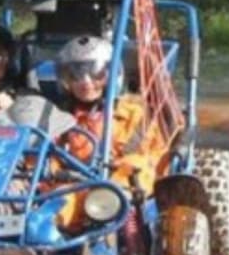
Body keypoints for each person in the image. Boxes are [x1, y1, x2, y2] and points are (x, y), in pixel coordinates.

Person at [52, 35, 164, 234]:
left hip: (125, 181)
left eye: (96, 73)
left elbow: (151, 156)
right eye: (75, 75)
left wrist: (119, 171)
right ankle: (47, 240)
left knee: (121, 183)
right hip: (76, 183)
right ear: (65, 81)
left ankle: (108, 228)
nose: (85, 81)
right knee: (55, 206)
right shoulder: (60, 117)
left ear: (113, 74)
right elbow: (50, 155)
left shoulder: (134, 113)